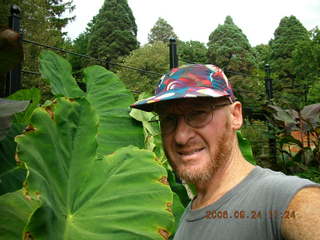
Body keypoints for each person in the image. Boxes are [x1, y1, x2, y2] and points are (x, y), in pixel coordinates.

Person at [130, 64, 320, 240]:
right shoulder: (192, 212)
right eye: (169, 119)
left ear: (235, 116)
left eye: (198, 114)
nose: (180, 137)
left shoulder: (281, 199)